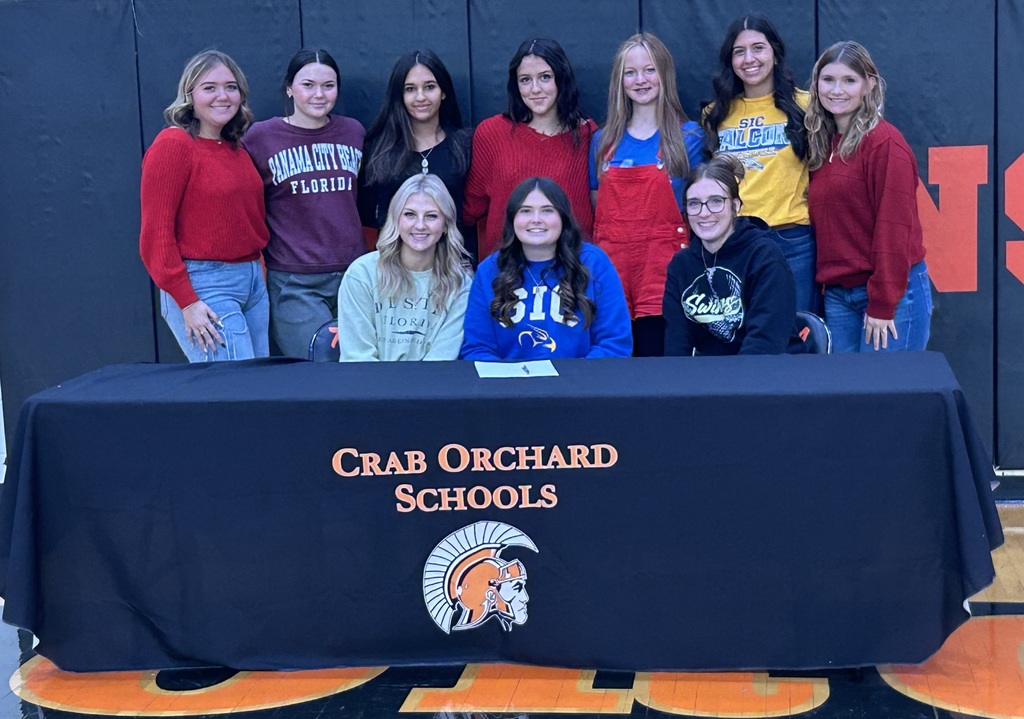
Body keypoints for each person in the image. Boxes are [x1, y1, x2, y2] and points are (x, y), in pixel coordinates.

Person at [140, 50, 269, 362]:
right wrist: (187, 301)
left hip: (252, 283)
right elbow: (155, 235)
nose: (222, 96)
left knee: (260, 389)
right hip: (204, 285)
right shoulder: (175, 144)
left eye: (231, 87)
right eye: (209, 87)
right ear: (190, 96)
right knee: (234, 394)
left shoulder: (236, 148)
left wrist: (258, 273)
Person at [805, 41, 932, 352]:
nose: (837, 90)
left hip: (891, 295)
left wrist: (882, 303)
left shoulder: (885, 143)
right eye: (828, 79)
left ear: (869, 85)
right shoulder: (822, 145)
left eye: (849, 80)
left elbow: (894, 228)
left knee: (889, 397)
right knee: (848, 398)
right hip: (838, 296)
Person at [242, 48, 365, 358]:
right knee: (318, 366)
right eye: (307, 84)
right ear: (289, 88)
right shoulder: (261, 137)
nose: (319, 94)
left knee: (362, 368)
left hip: (354, 276)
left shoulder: (353, 132)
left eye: (329, 85)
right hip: (296, 281)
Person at [590, 33, 704, 356]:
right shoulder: (602, 142)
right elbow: (599, 210)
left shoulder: (688, 138)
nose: (640, 80)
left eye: (650, 70)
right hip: (611, 278)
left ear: (665, 74)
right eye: (630, 72)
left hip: (665, 279)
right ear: (619, 80)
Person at [702, 14, 819, 314]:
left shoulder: (806, 106)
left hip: (791, 239)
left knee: (798, 335)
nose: (749, 59)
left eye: (758, 48)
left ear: (775, 54)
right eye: (739, 51)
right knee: (742, 338)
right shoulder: (714, 115)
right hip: (735, 240)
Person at [460, 177, 631, 360]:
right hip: (510, 386)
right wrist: (510, 384)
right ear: (512, 219)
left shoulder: (594, 263)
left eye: (547, 211)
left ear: (563, 218)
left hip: (580, 384)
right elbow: (477, 348)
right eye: (525, 211)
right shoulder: (489, 270)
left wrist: (572, 381)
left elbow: (614, 343)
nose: (536, 220)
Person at [464, 38, 597, 260]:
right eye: (525, 80)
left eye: (545, 77)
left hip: (573, 271)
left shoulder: (590, 137)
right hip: (508, 272)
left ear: (561, 79)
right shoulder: (492, 133)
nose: (535, 89)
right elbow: (470, 209)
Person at [663, 154, 800, 356]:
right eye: (694, 203)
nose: (704, 213)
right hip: (713, 379)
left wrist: (732, 386)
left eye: (716, 201)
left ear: (735, 206)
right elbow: (676, 343)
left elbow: (765, 344)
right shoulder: (680, 265)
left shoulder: (765, 257)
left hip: (772, 375)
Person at [337, 174, 471, 361]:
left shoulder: (460, 284)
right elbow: (358, 357)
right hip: (366, 386)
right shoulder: (361, 274)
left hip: (430, 387)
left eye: (431, 216)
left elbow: (441, 363)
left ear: (446, 225)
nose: (420, 225)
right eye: (409, 214)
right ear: (395, 220)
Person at [358, 50, 475, 258]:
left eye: (429, 87)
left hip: (455, 268)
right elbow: (366, 214)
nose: (420, 97)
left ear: (443, 92)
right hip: (395, 269)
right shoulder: (378, 149)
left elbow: (474, 211)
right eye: (410, 89)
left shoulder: (466, 145)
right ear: (399, 95)